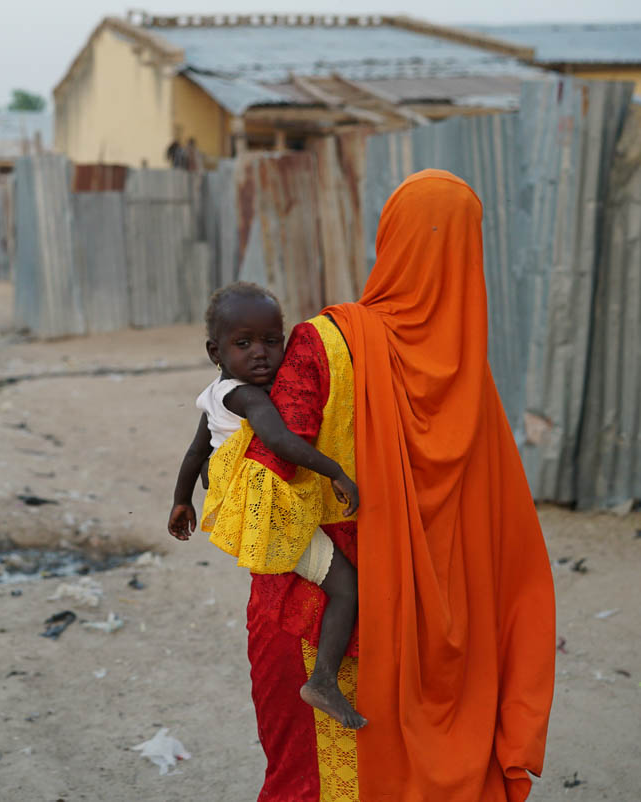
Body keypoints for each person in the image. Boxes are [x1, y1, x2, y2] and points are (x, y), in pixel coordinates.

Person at [213, 170, 556, 800]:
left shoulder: (326, 343)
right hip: (436, 639)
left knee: (312, 783)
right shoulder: (471, 383)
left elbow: (261, 498)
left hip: (318, 619)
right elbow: (504, 538)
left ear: (389, 240)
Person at [168, 282, 365, 729]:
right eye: (244, 344)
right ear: (215, 351)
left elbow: (196, 451)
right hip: (268, 518)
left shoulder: (215, 394)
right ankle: (323, 681)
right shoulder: (248, 397)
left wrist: (181, 501)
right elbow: (278, 440)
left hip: (249, 511)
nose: (260, 353)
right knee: (346, 588)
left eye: (272, 341)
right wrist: (334, 470)